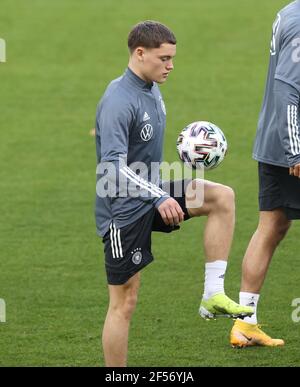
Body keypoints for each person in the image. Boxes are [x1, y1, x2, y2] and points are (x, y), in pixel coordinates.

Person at [95, 20, 253, 366]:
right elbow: (112, 169)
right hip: (123, 209)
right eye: (164, 58)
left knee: (220, 197)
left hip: (151, 190)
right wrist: (160, 197)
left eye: (172, 58)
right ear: (139, 53)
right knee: (124, 302)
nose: (170, 66)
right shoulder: (120, 100)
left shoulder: (150, 87)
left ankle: (213, 293)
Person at [230, 0, 300, 348]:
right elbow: (287, 87)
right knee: (271, 226)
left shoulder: (289, 11)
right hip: (291, 143)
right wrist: (295, 150)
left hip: (273, 137)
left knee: (271, 226)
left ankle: (245, 322)